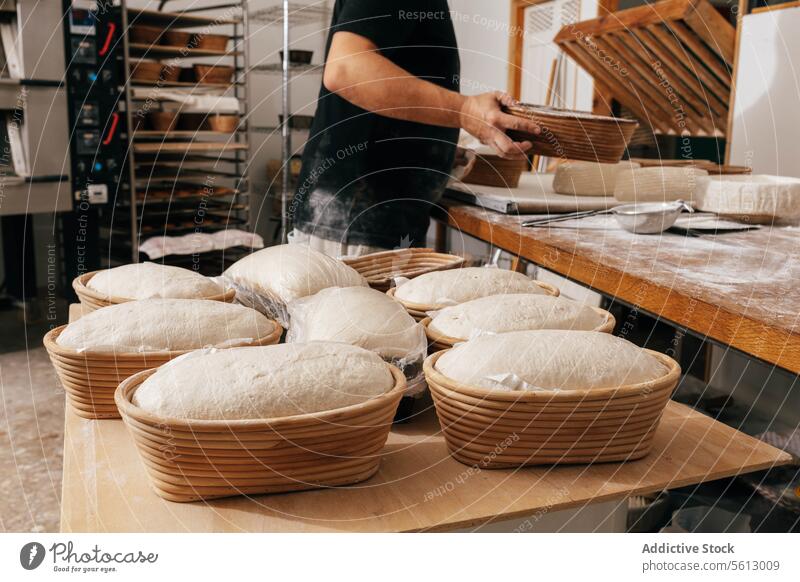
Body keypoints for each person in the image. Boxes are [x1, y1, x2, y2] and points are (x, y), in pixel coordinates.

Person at [289, 0, 540, 256]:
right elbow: (346, 69)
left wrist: (434, 148)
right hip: (354, 222)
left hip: (365, 220)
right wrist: (466, 112)